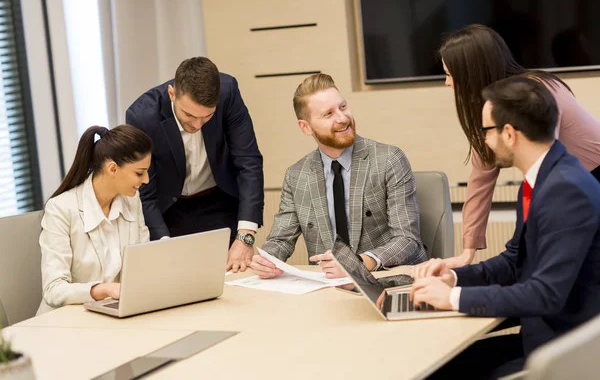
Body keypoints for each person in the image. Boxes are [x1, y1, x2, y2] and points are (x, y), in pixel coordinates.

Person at [411, 77, 600, 379]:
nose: (483, 140)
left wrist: (452, 299)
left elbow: (545, 294)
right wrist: (454, 278)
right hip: (546, 335)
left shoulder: (566, 191)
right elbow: (515, 261)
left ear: (509, 133)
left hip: (566, 351)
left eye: (487, 130)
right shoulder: (544, 178)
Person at [439, 24, 600, 268]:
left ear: (471, 73)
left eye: (450, 75)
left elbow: (546, 160)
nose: (447, 84)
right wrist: (467, 252)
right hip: (571, 183)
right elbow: (481, 177)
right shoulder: (491, 105)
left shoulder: (536, 91)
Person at [250, 74, 427, 279]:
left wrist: (358, 263)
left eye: (343, 107)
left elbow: (407, 240)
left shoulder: (388, 160)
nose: (342, 118)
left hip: (387, 279)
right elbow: (280, 240)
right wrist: (268, 259)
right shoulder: (296, 176)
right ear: (305, 127)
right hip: (328, 287)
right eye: (328, 114)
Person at [126, 57, 264, 273]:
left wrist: (245, 237)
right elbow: (146, 193)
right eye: (189, 115)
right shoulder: (142, 117)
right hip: (170, 211)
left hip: (218, 202)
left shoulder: (228, 92)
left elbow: (248, 162)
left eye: (207, 116)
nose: (197, 124)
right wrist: (163, 243)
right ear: (172, 94)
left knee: (235, 284)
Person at [37, 125, 153, 314]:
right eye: (139, 173)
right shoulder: (60, 209)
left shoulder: (132, 200)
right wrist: (102, 290)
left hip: (117, 314)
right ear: (112, 168)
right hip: (66, 321)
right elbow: (53, 290)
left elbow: (143, 265)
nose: (146, 179)